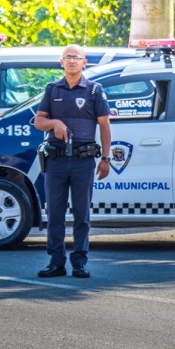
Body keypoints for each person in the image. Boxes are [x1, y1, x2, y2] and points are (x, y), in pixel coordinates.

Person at [33, 45, 111, 278]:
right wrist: (54, 124)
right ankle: (56, 262)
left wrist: (105, 159)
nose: (71, 61)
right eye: (67, 57)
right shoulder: (52, 89)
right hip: (56, 160)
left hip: (83, 160)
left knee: (81, 214)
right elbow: (38, 121)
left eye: (76, 58)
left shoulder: (94, 91)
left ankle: (79, 262)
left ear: (84, 62)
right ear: (61, 63)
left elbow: (104, 125)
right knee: (55, 214)